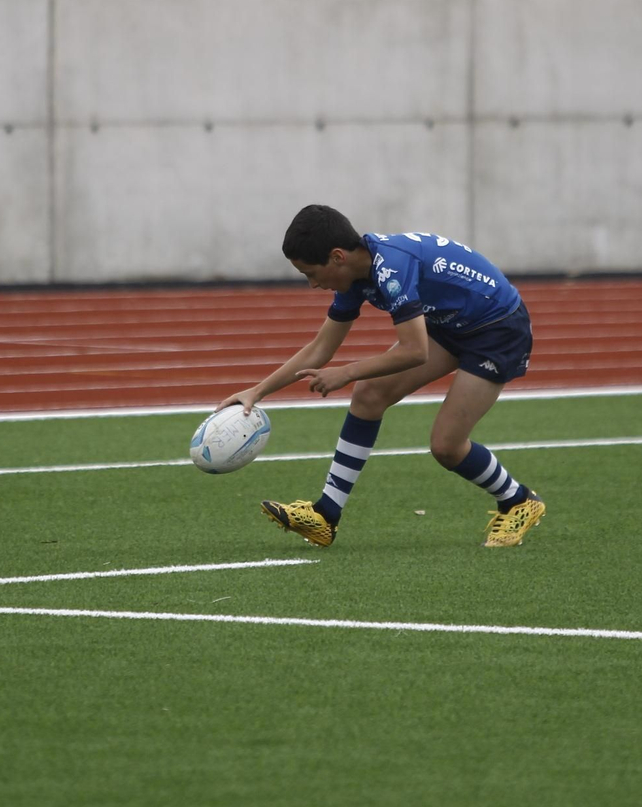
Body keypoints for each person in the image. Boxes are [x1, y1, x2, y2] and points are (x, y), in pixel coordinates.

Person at [219, 204, 545, 549]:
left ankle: (519, 500)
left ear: (337, 257)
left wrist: (346, 372)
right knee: (369, 395)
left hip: (497, 330)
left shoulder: (392, 268)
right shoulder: (355, 275)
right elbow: (320, 349)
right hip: (450, 323)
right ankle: (325, 516)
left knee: (446, 446)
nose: (313, 284)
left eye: (311, 273)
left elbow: (415, 351)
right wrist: (257, 392)